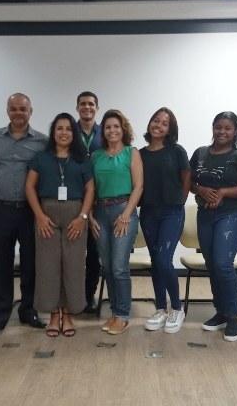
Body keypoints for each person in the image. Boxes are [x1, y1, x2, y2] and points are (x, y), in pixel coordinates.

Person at [0, 93, 48, 339]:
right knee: (0, 263)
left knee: (31, 262)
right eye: (13, 109)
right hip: (3, 209)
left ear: (30, 111)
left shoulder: (42, 141)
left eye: (23, 109)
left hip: (31, 211)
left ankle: (28, 310)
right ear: (7, 111)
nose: (18, 113)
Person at [25, 113, 95, 337]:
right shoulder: (41, 158)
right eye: (59, 128)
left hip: (75, 214)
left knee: (73, 266)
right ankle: (54, 314)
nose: (64, 132)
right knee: (48, 266)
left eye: (68, 129)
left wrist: (82, 217)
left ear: (73, 133)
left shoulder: (82, 158)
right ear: (53, 132)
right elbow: (29, 187)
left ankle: (69, 313)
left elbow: (91, 190)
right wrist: (39, 216)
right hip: (47, 215)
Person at [190, 112, 237, 342]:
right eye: (218, 127)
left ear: (235, 131)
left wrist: (224, 192)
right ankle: (221, 312)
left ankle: (234, 316)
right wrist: (200, 190)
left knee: (222, 263)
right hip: (205, 214)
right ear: (213, 128)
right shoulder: (200, 153)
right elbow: (189, 182)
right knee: (212, 265)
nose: (222, 132)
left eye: (227, 128)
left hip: (232, 215)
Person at [91, 109, 143, 335]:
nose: (112, 130)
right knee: (108, 267)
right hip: (100, 213)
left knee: (120, 267)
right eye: (108, 127)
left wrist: (126, 215)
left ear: (123, 129)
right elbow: (91, 188)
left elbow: (138, 186)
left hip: (124, 211)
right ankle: (114, 312)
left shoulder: (132, 153)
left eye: (116, 126)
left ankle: (123, 314)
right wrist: (90, 216)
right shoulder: (96, 156)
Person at [139, 107, 190, 334]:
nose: (158, 125)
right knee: (155, 262)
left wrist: (179, 201)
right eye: (155, 121)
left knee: (163, 260)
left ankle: (177, 308)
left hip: (172, 212)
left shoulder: (177, 151)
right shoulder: (140, 154)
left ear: (170, 129)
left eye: (164, 123)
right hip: (149, 212)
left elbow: (186, 179)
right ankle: (161, 308)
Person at [76, 91, 103, 314]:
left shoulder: (107, 132)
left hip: (100, 200)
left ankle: (88, 296)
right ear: (77, 108)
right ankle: (72, 295)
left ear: (97, 107)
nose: (87, 107)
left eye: (91, 104)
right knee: (73, 251)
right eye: (83, 104)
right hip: (74, 200)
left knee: (94, 252)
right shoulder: (68, 131)